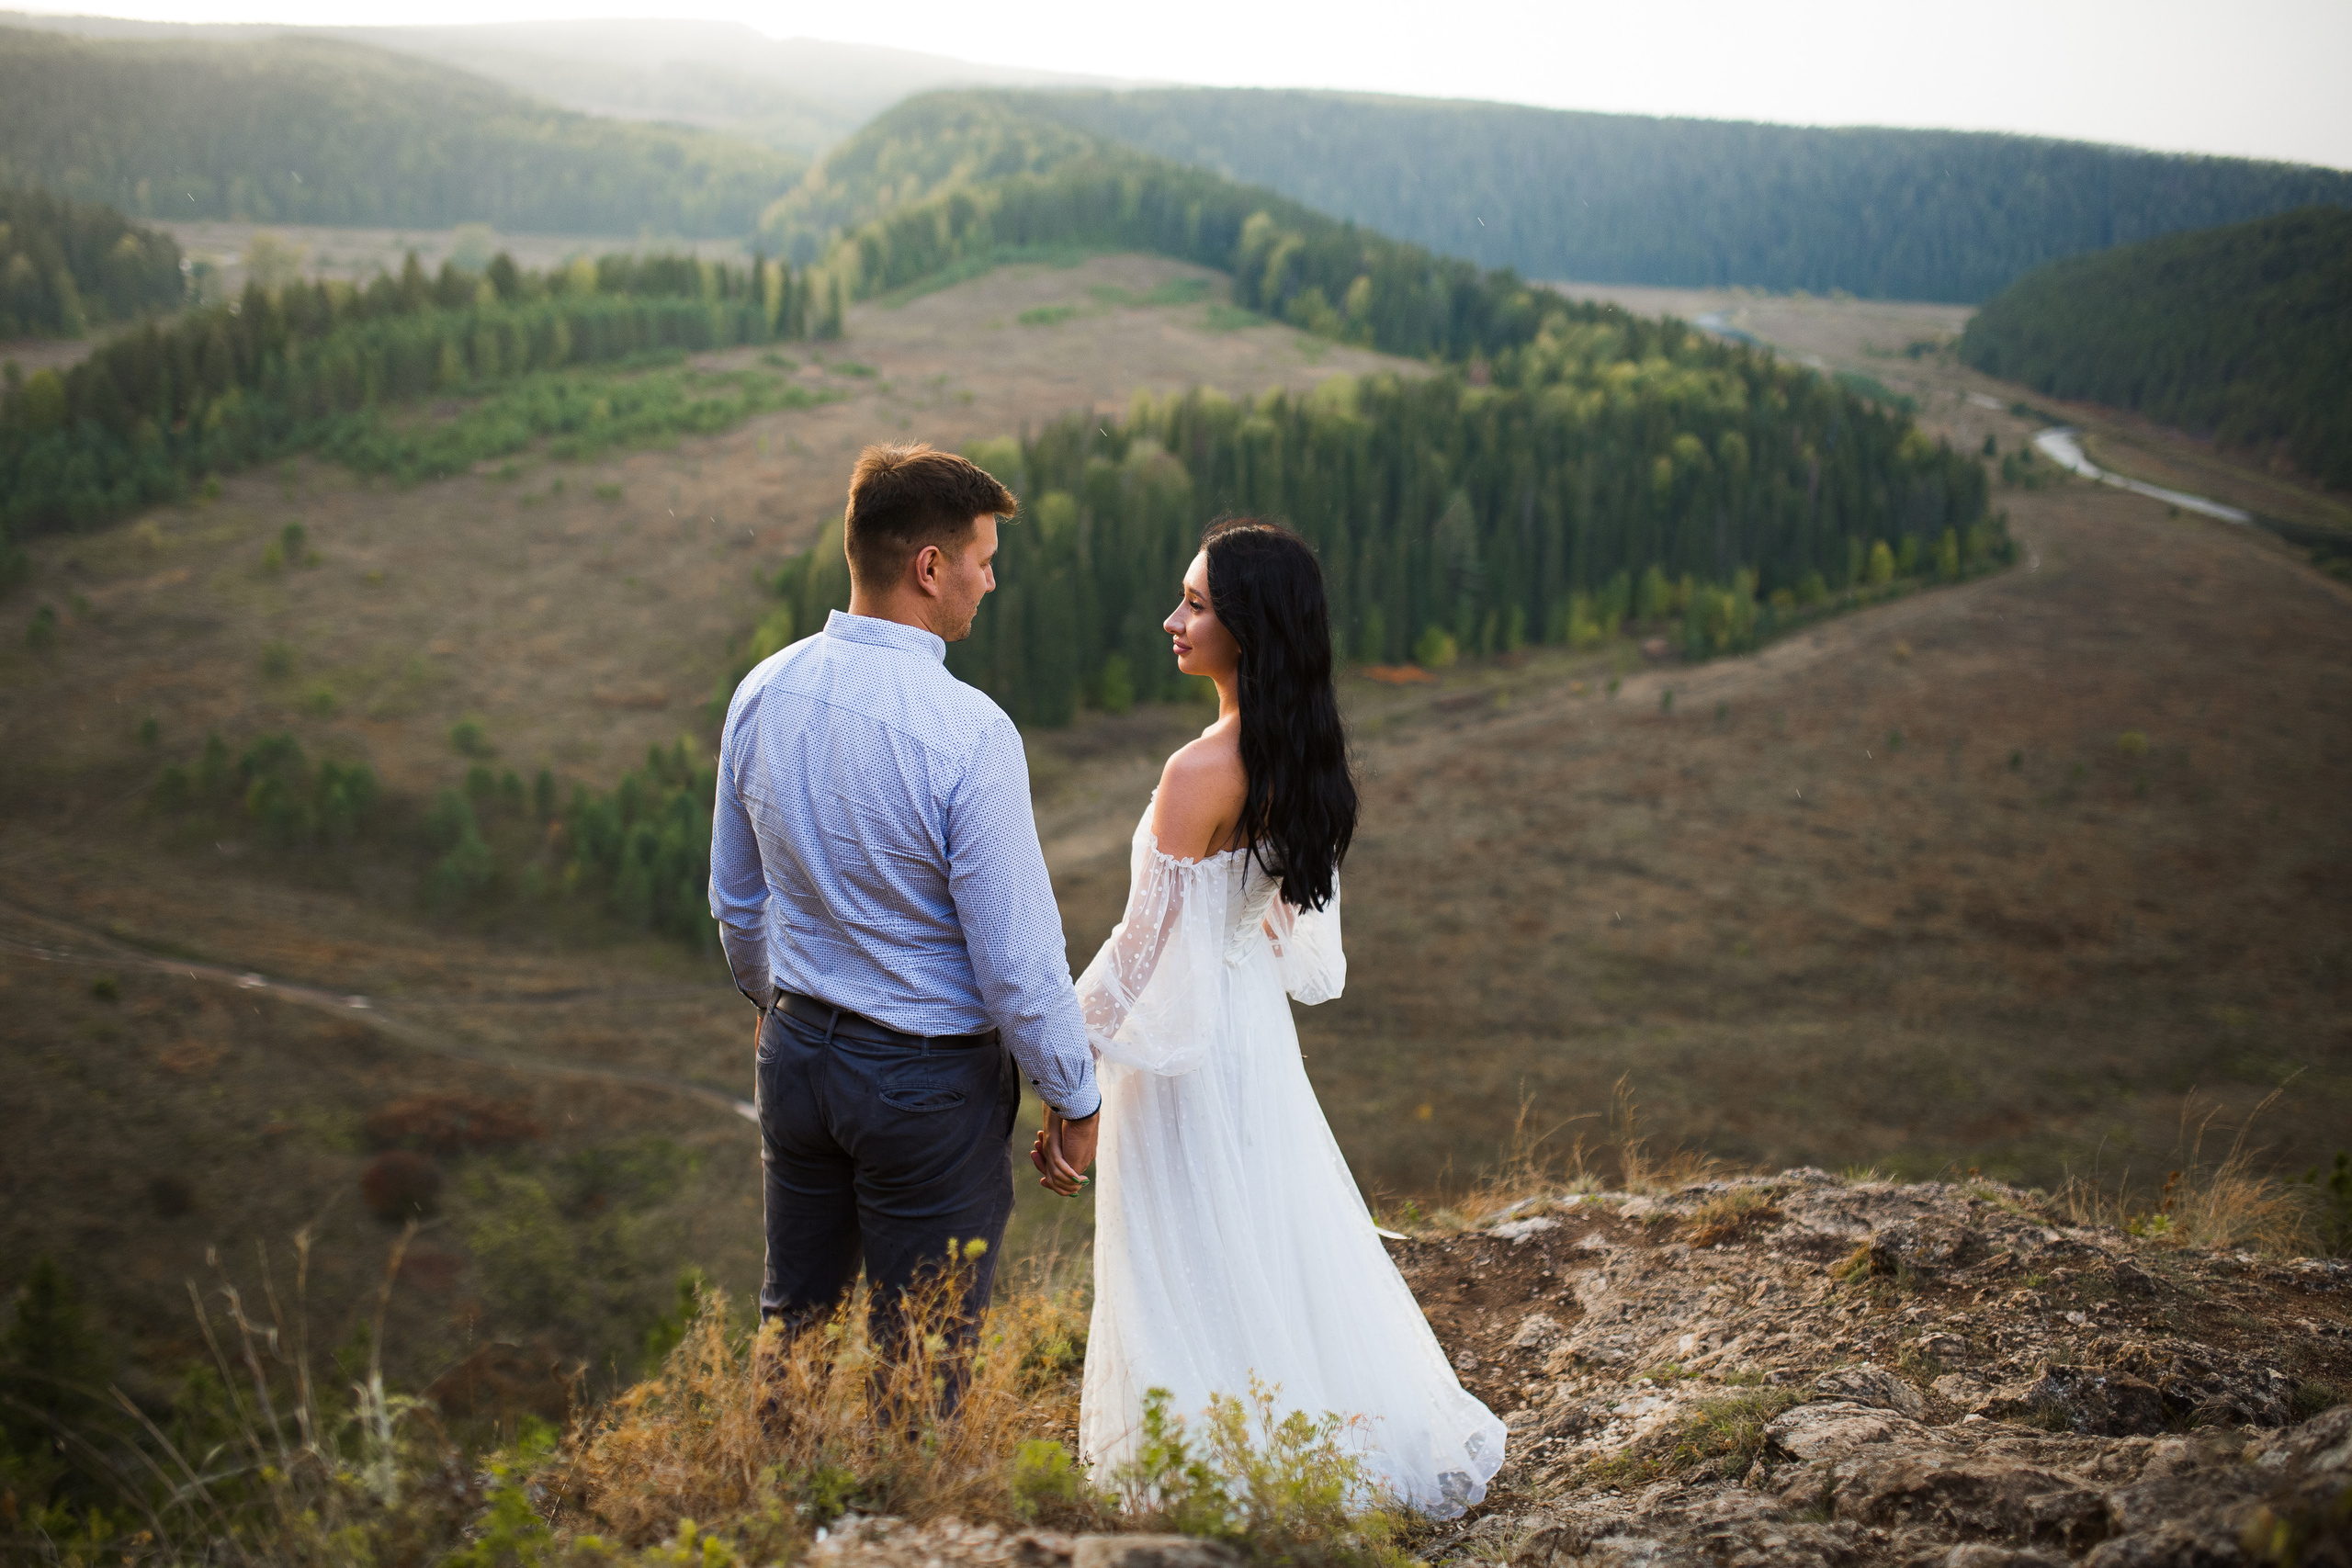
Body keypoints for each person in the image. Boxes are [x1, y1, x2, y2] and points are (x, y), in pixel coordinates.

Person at [1040, 517, 1504, 1516]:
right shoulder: (1304, 755)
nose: (1173, 619)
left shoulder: (1197, 773)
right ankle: (1306, 1455)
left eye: (1196, 604)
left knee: (1186, 1259)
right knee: (1261, 1238)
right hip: (1251, 1038)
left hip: (1182, 1059)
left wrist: (1056, 1055)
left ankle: (1203, 1479)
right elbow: (1289, 934)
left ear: (1247, 628)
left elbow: (1140, 948)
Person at [709, 443, 1100, 1356]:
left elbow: (736, 902)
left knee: (792, 1325)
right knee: (922, 1353)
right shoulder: (970, 735)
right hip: (924, 1087)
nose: (990, 583)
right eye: (983, 560)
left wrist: (777, 1007)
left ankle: (776, 1495)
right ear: (930, 568)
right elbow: (1017, 966)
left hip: (798, 1058)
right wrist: (1073, 1095)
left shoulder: (761, 690)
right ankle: (902, 1502)